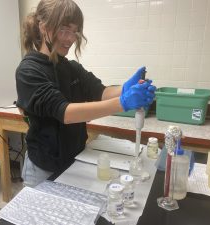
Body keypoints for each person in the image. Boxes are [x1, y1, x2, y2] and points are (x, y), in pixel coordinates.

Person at [16, 0, 156, 187]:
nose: (71, 38)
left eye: (75, 31)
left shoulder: (71, 67)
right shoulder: (29, 70)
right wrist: (122, 102)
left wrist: (125, 88)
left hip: (74, 160)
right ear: (43, 27)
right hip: (43, 167)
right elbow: (65, 113)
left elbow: (101, 92)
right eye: (64, 30)